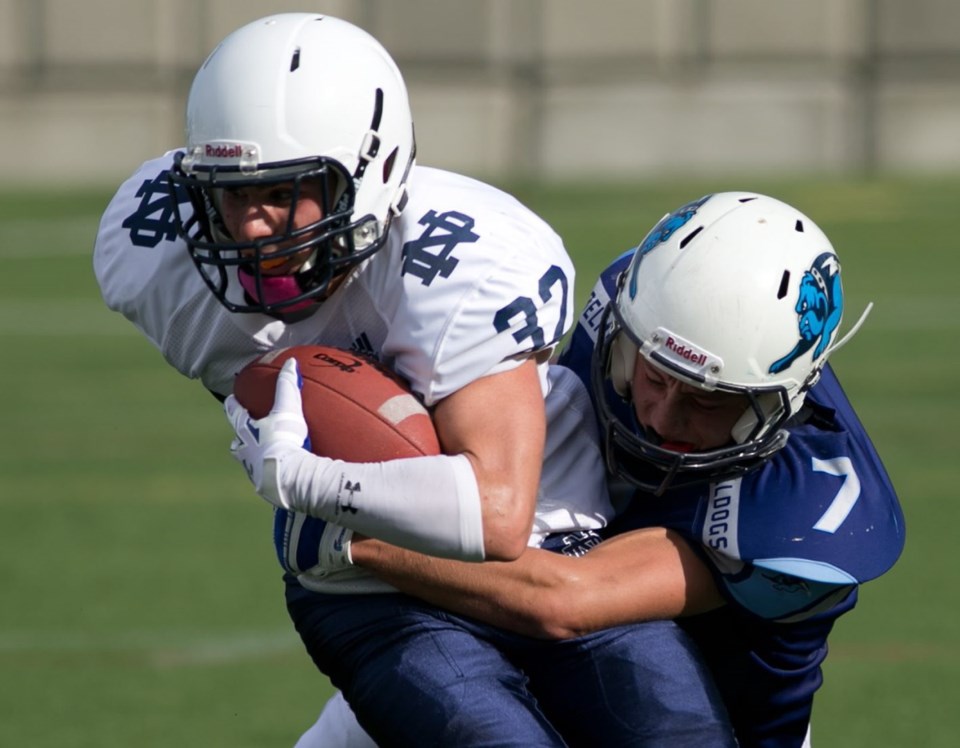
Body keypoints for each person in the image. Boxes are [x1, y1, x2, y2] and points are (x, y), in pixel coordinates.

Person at [93, 12, 735, 747]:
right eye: (232, 194)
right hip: (374, 593)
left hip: (548, 545)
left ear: (372, 170)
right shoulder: (158, 260)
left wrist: (306, 484)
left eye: (286, 191)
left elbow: (494, 515)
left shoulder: (465, 262)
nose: (251, 227)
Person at [301, 192, 907, 747]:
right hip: (507, 631)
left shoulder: (813, 511)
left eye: (704, 400)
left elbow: (568, 601)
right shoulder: (638, 306)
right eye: (654, 375)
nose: (659, 415)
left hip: (710, 714)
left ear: (776, 403)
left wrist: (359, 536)